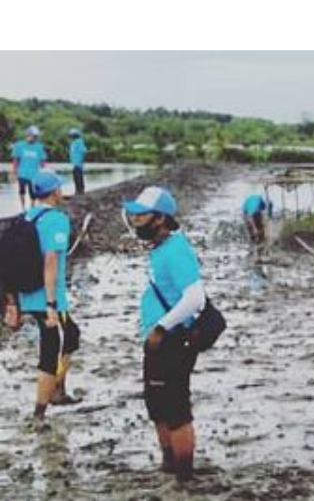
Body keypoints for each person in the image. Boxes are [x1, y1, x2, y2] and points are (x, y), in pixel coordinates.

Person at [124, 186, 207, 483]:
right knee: (156, 404)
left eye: (141, 216)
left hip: (173, 340)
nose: (134, 221)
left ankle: (184, 476)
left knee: (175, 407)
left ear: (160, 219)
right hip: (158, 341)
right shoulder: (160, 248)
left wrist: (161, 327)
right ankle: (169, 464)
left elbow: (196, 298)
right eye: (132, 216)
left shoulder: (175, 250)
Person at [17, 171, 81, 419]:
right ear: (55, 192)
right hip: (48, 299)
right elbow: (51, 261)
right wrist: (52, 304)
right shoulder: (56, 219)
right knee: (52, 348)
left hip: (27, 294)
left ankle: (58, 390)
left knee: (70, 335)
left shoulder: (27, 216)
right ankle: (40, 411)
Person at [11, 126, 49, 211]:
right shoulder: (19, 145)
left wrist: (45, 173)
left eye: (35, 137)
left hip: (34, 175)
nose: (33, 138)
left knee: (33, 193)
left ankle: (32, 208)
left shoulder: (39, 147)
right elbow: (16, 160)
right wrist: (14, 172)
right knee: (22, 191)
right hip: (22, 173)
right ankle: (23, 208)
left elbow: (42, 161)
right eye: (32, 136)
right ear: (27, 135)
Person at [68, 128, 88, 195]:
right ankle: (77, 190)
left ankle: (80, 190)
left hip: (78, 163)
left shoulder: (79, 141)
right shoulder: (73, 143)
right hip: (75, 163)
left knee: (79, 177)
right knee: (75, 177)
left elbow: (84, 151)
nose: (71, 136)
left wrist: (80, 161)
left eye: (72, 135)